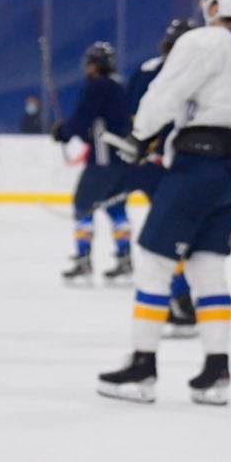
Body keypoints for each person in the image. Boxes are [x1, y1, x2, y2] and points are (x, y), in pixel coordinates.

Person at [98, 0, 231, 406]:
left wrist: (141, 135)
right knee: (207, 268)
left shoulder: (201, 43)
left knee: (156, 264)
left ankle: (143, 366)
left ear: (214, 6)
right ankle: (217, 371)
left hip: (196, 167)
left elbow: (168, 91)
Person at [124, 19, 200, 333]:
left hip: (163, 167)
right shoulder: (202, 71)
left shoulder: (150, 71)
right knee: (177, 239)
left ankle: (181, 302)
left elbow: (133, 117)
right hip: (183, 168)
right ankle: (183, 301)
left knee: (164, 241)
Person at [53, 41, 136, 283]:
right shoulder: (120, 87)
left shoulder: (96, 87)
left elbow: (82, 118)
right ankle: (125, 260)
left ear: (94, 65)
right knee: (116, 208)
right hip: (123, 159)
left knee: (83, 205)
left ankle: (83, 260)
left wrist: (63, 132)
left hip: (102, 160)